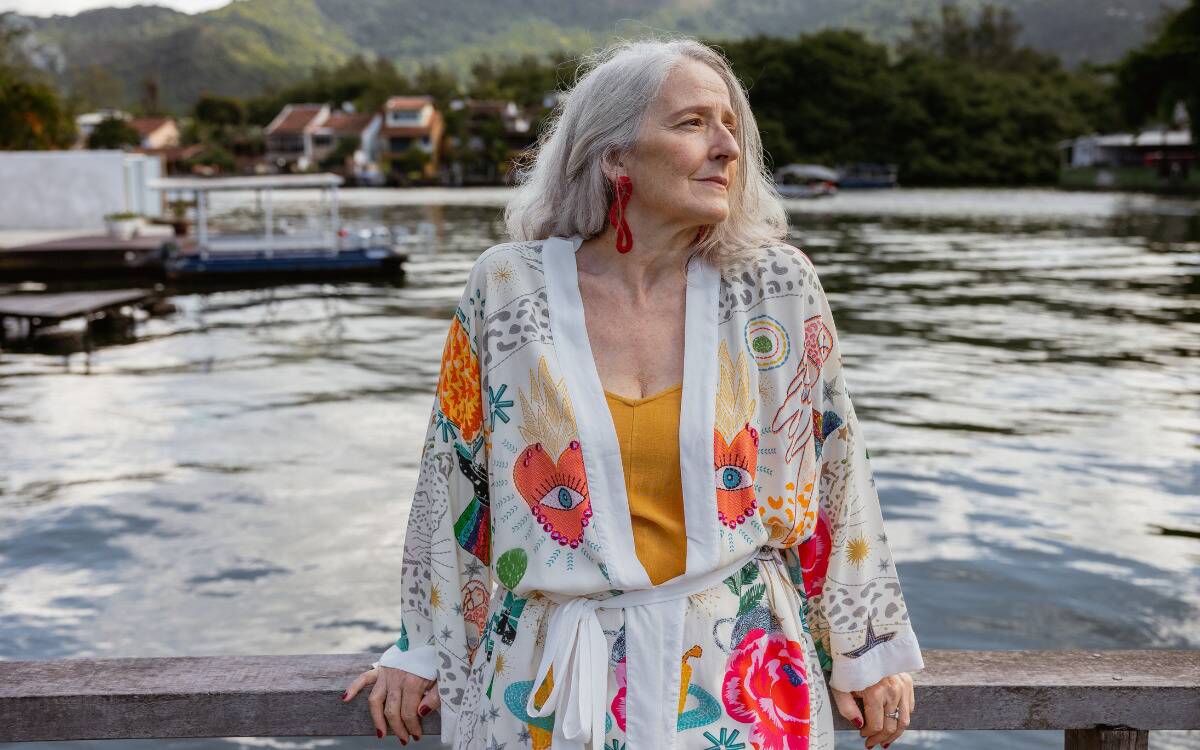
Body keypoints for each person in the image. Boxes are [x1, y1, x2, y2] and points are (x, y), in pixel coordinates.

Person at [342, 35, 925, 750]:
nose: (727, 148)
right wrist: (423, 651)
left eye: (731, 126)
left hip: (742, 685)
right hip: (548, 689)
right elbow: (451, 482)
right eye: (692, 123)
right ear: (613, 154)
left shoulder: (777, 290)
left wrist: (866, 648)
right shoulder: (507, 287)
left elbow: (838, 473)